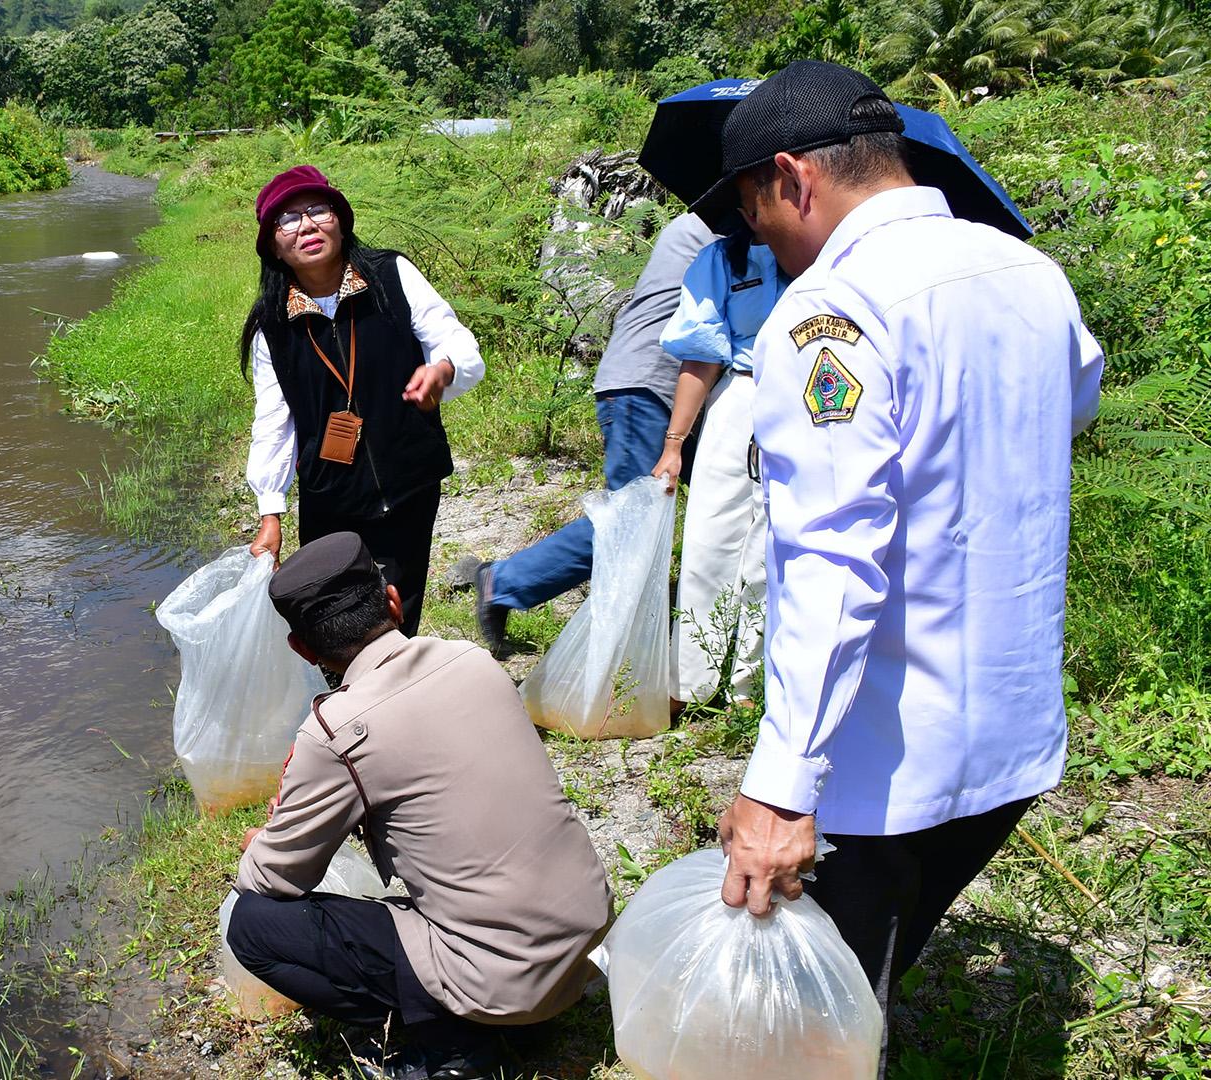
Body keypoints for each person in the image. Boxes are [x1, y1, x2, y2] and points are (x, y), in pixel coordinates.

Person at [692, 61, 1105, 1067]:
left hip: (880, 762)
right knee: (867, 979)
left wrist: (782, 788)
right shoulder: (1027, 271)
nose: (759, 241)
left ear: (792, 176)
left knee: (816, 1026)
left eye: (752, 210)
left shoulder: (830, 311)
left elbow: (835, 557)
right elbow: (1077, 402)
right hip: (1009, 745)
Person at [228, 532, 611, 1080]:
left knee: (254, 925)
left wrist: (260, 844)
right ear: (392, 600)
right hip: (582, 939)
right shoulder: (472, 660)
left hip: (505, 983)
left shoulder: (337, 732)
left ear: (303, 649)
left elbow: (271, 881)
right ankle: (507, 1009)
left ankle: (455, 1037)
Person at [243, 166, 484, 636]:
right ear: (273, 245)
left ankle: (392, 697)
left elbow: (456, 342)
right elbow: (274, 421)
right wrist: (270, 514)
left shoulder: (392, 276)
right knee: (334, 618)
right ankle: (349, 702)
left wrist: (442, 369)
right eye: (288, 220)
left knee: (397, 609)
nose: (307, 226)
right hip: (329, 495)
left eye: (317, 210)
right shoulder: (271, 327)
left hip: (408, 480)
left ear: (341, 219)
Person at [471, 212, 715, 656]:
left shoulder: (703, 223)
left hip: (657, 384)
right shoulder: (719, 227)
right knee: (630, 520)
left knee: (680, 511)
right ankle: (504, 582)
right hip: (650, 384)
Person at [652, 228, 788, 705]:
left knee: (772, 546)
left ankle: (748, 685)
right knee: (710, 538)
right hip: (740, 393)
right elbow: (702, 356)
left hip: (802, 398)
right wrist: (674, 444)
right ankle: (690, 683)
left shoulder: (824, 252)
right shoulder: (722, 259)